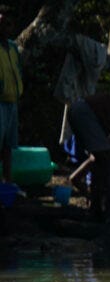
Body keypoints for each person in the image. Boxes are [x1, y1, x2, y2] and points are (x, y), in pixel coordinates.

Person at [0, 4, 23, 185]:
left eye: (7, 24)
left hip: (12, 102)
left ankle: (8, 183)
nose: (4, 27)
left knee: (8, 147)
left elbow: (18, 71)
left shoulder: (13, 48)